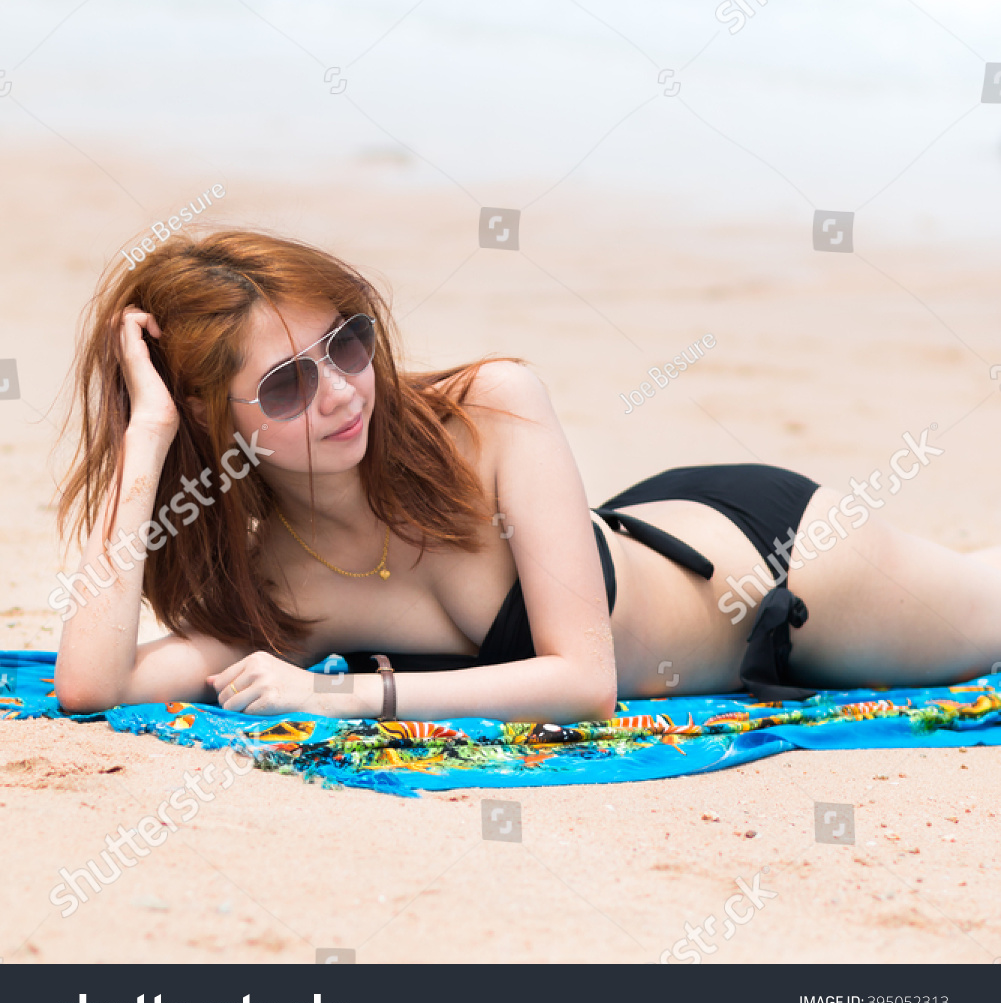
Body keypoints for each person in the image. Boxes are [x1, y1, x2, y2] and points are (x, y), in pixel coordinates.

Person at [54, 229, 1001, 722]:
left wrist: (333, 695)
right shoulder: (282, 585)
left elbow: (582, 682)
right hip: (638, 544)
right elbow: (93, 688)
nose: (342, 392)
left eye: (347, 344)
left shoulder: (489, 409)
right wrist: (148, 439)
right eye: (289, 384)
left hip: (777, 565)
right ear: (221, 427)